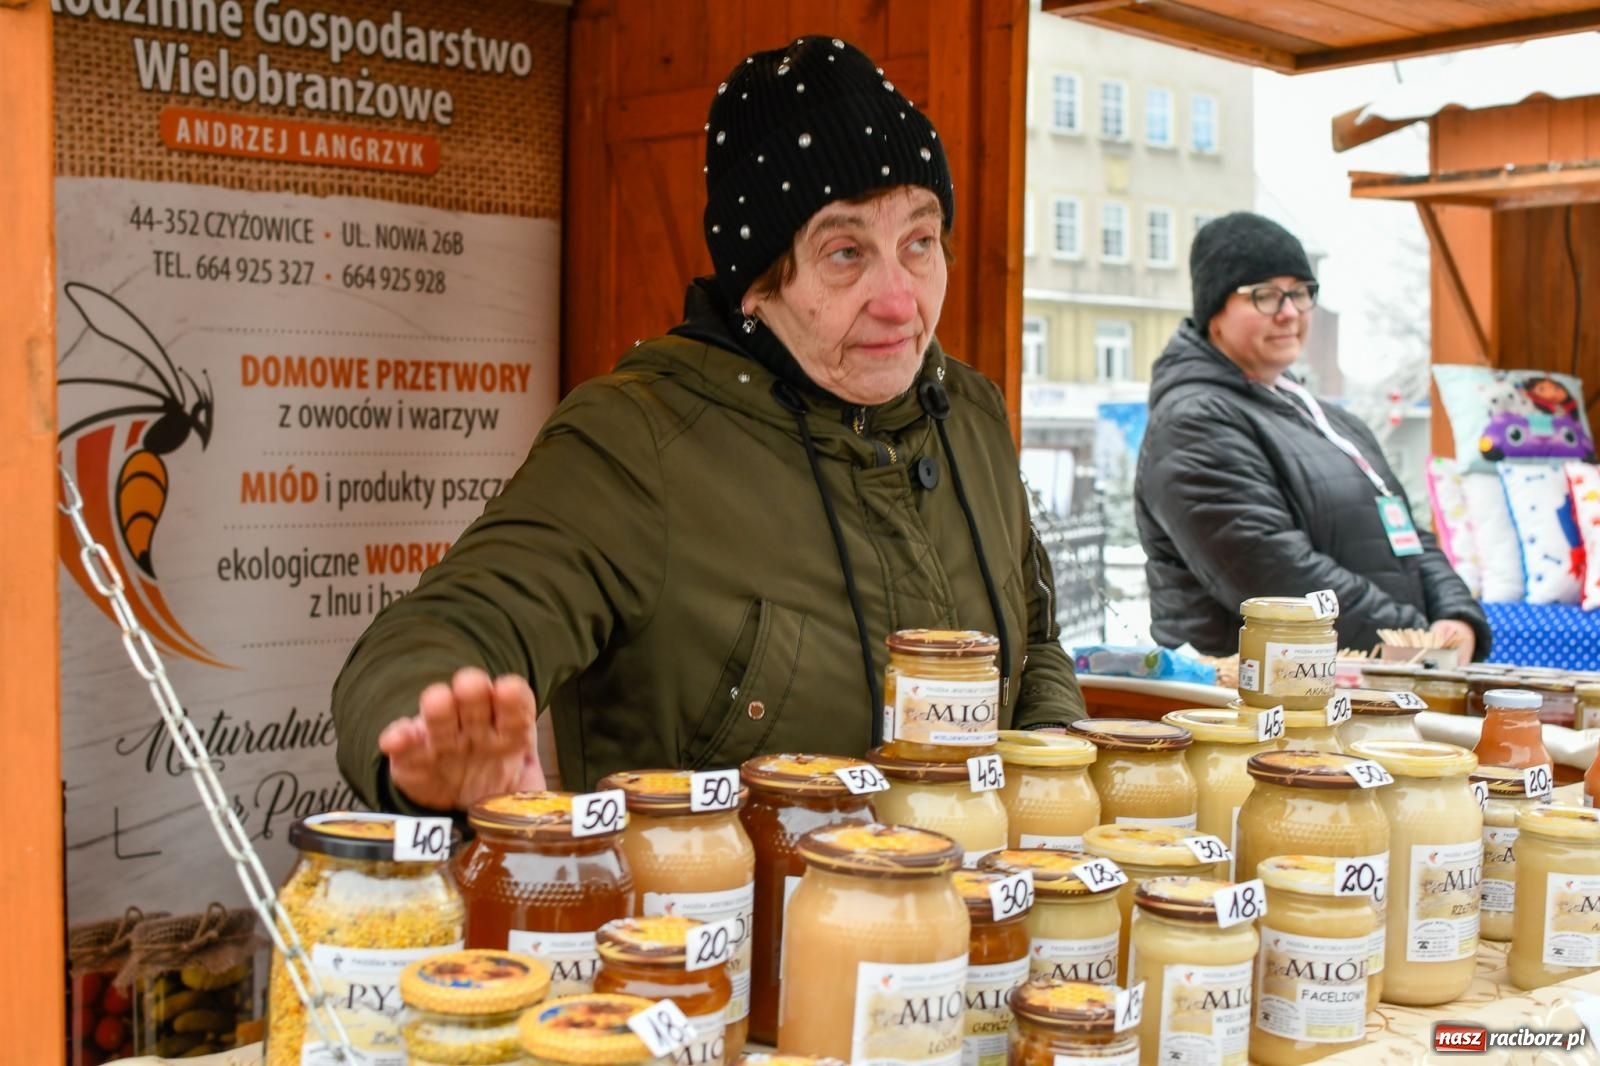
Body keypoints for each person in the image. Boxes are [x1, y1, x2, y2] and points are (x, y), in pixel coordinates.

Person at [331, 35, 1087, 813]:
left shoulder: (970, 412)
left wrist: (1054, 742)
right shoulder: (638, 441)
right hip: (726, 926)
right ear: (757, 283)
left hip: (981, 923)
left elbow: (1035, 636)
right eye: (844, 252)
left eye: (920, 242)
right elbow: (449, 625)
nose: (902, 299)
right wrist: (434, 744)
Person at [1134, 211, 1490, 660]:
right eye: (1264, 296)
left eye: (1300, 293)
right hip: (1258, 710)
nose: (1288, 313)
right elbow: (1278, 576)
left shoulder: (1327, 419)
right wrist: (1417, 642)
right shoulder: (1193, 423)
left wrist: (1454, 618)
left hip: (1368, 684)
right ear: (1214, 313)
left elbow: (1406, 534)